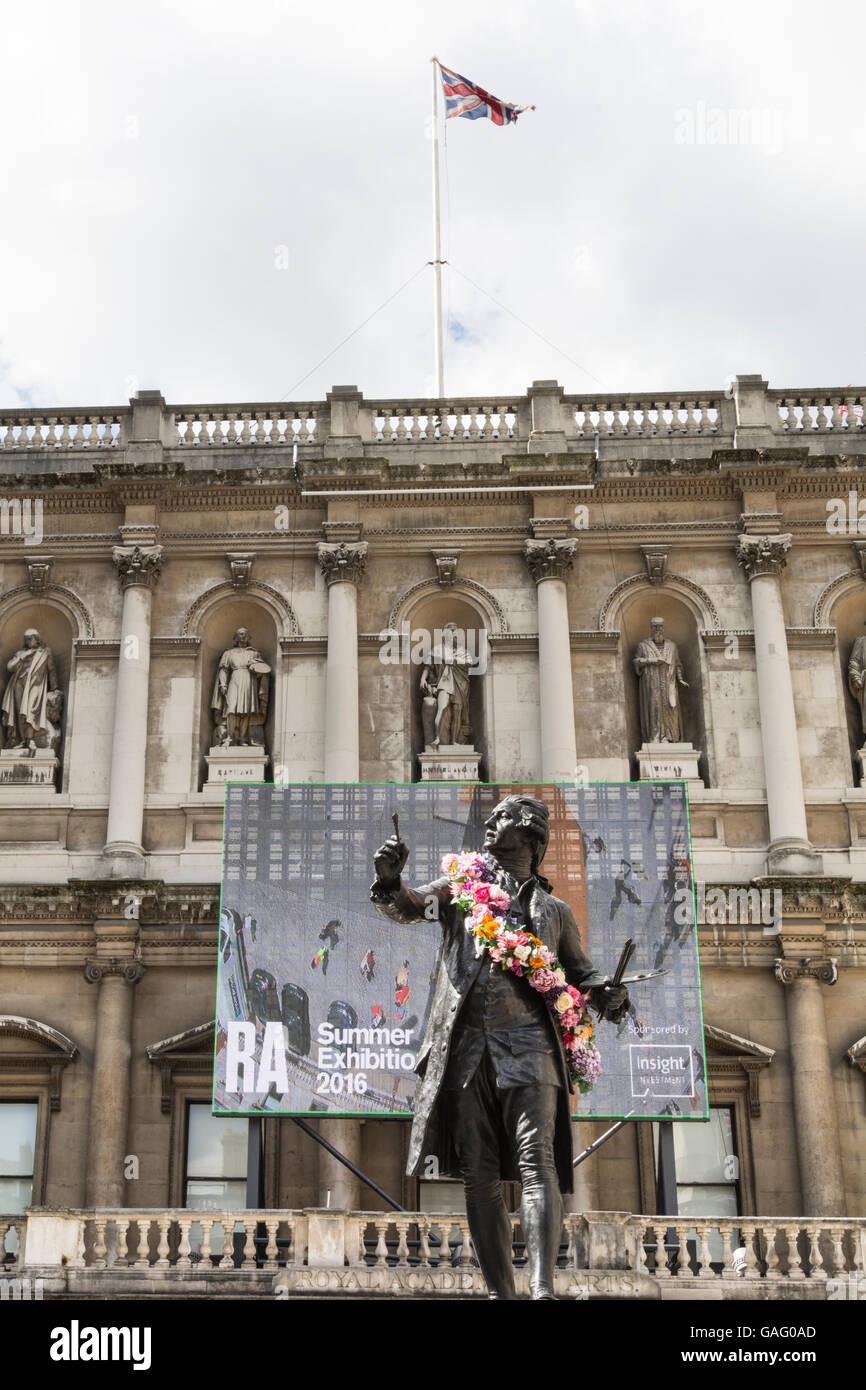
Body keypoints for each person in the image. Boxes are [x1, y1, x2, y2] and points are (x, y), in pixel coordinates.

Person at [371, 793, 629, 1300]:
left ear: (531, 835)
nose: (490, 824)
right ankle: (500, 1293)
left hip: (532, 1047)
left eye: (503, 818)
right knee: (479, 1174)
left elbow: (584, 976)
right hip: (466, 1046)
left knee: (538, 1161)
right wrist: (388, 879)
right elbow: (406, 907)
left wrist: (611, 995)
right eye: (490, 819)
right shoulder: (459, 890)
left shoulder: (555, 911)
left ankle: (541, 1288)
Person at [1, 629, 60, 750]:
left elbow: (51, 670)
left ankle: (30, 740)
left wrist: (54, 688)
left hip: (36, 686)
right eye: (26, 639)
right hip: (19, 684)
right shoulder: (21, 653)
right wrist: (22, 657)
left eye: (30, 638)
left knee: (32, 710)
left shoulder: (45, 652)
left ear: (37, 639)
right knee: (19, 712)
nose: (27, 641)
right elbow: (10, 667)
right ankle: (20, 740)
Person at [633, 617, 688, 744]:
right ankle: (656, 737)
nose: (658, 629)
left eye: (660, 627)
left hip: (670, 683)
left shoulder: (672, 646)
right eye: (655, 627)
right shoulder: (643, 646)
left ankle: (671, 737)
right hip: (652, 685)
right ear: (651, 628)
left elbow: (678, 663)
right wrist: (651, 661)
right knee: (655, 710)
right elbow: (636, 661)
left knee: (672, 708)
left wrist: (680, 679)